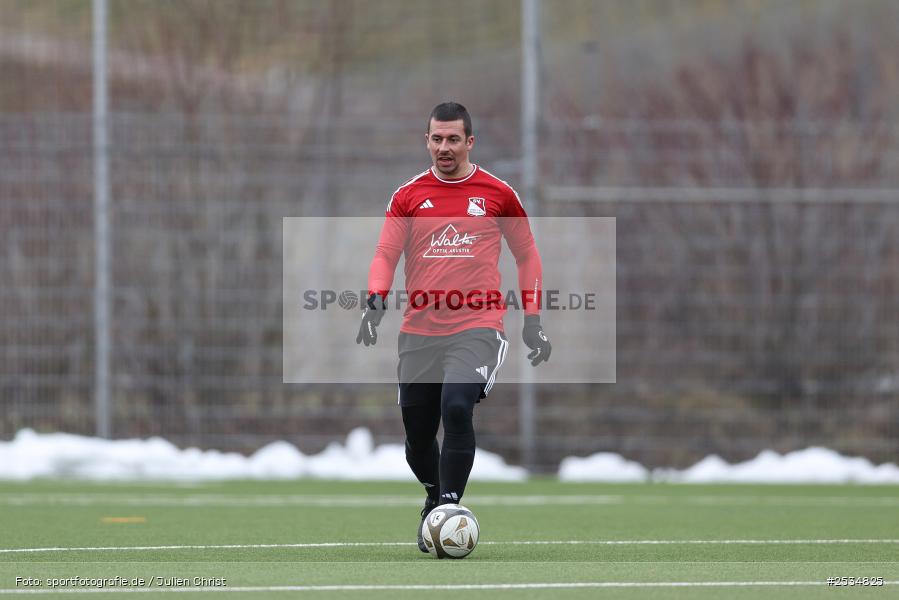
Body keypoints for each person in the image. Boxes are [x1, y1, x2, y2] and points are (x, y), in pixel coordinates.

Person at [356, 102, 551, 552]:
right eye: (437, 139)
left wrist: (533, 319)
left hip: (479, 325)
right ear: (427, 140)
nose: (445, 147)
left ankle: (448, 507)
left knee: (457, 406)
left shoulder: (498, 193)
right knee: (417, 438)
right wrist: (376, 298)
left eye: (453, 139)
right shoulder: (408, 196)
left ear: (470, 142)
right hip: (420, 331)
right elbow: (385, 254)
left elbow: (528, 255)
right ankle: (432, 494)